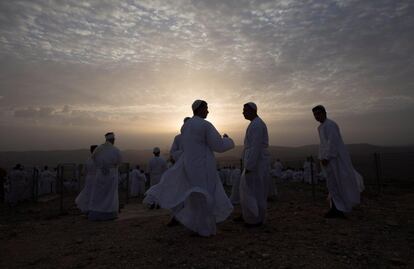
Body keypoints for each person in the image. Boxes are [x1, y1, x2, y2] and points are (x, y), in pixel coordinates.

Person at [144, 100, 234, 237]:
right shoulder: (205, 125)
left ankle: (197, 226)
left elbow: (184, 150)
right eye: (206, 108)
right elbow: (218, 146)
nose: (208, 111)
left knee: (195, 197)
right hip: (204, 168)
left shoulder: (185, 128)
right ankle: (206, 229)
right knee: (206, 194)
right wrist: (229, 140)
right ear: (199, 109)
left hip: (190, 168)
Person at [312, 105, 364, 218]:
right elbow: (323, 144)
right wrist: (321, 157)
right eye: (315, 114)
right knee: (332, 185)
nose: (317, 116)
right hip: (328, 160)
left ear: (324, 113)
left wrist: (327, 157)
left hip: (335, 159)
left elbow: (333, 142)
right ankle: (335, 208)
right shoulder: (320, 127)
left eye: (319, 113)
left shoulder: (330, 125)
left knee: (339, 183)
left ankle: (342, 208)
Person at [236, 102, 271, 227]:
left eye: (245, 110)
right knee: (249, 190)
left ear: (253, 110)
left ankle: (256, 219)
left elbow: (255, 147)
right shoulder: (254, 124)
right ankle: (249, 215)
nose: (243, 112)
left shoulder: (257, 125)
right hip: (253, 161)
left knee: (256, 191)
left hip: (256, 163)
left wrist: (250, 165)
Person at [88, 132, 122, 221]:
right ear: (113, 140)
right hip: (111, 174)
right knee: (110, 194)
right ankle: (109, 213)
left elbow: (93, 159)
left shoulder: (98, 149)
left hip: (100, 174)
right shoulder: (116, 150)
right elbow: (119, 161)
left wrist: (101, 167)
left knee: (99, 194)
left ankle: (96, 212)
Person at [75, 145, 98, 214]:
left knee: (88, 193)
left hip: (89, 178)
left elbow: (83, 171)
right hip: (96, 178)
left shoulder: (87, 160)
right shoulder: (99, 160)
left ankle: (87, 208)